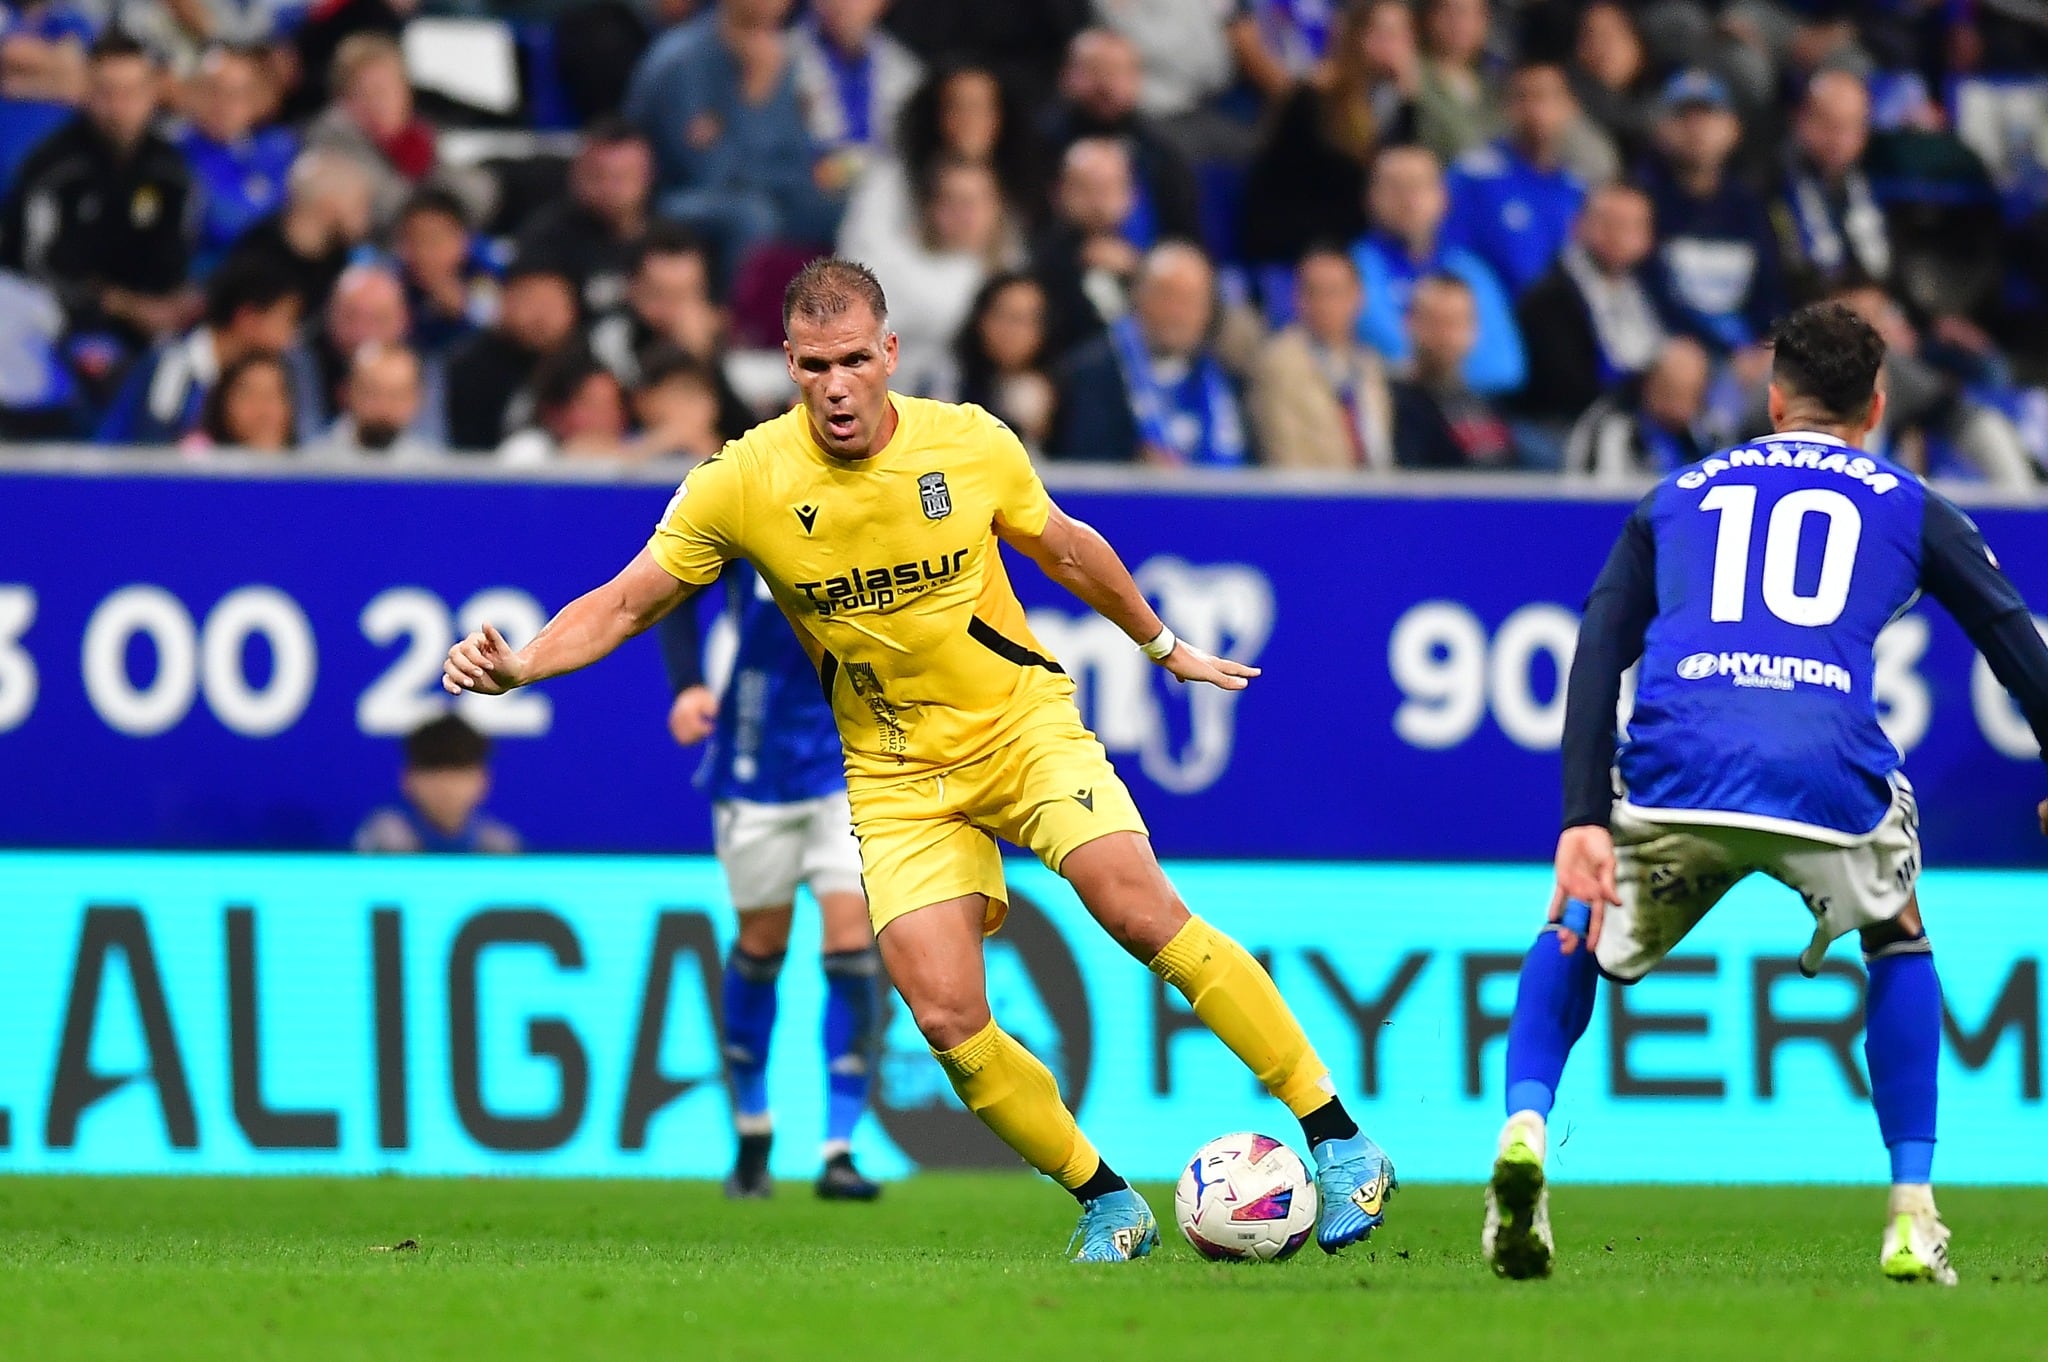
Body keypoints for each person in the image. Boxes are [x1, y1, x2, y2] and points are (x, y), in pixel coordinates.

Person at [442, 256, 1395, 1263]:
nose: (839, 384)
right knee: (942, 1013)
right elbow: (630, 598)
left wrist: (1163, 648)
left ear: (889, 353)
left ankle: (1338, 1139)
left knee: (1135, 907)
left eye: (856, 358)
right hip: (897, 776)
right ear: (789, 367)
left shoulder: (969, 443)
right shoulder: (742, 480)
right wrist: (525, 666)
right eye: (816, 365)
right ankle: (1105, 1199)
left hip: (1018, 729)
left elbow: (1067, 549)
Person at [1482, 301, 2048, 1286]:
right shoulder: (1909, 502)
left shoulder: (1673, 495)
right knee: (1896, 927)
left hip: (1675, 766)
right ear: (1873, 407)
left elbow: (1594, 653)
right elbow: (2013, 644)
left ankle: (1525, 1124)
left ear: (1770, 398)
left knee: (1571, 918)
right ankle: (1909, 1214)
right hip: (1824, 772)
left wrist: (1581, 818)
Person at [657, 551, 885, 1201]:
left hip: (847, 765)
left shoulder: (868, 486)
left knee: (849, 941)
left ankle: (839, 1148)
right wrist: (687, 684)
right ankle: (753, 1131)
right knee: (761, 947)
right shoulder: (742, 488)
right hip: (752, 765)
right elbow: (670, 591)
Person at [1, 34, 196, 352]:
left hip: (149, 328)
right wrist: (121, 305)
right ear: (87, 93)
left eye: (132, 92)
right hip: (57, 325)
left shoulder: (172, 171)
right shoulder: (54, 169)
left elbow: (177, 253)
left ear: (152, 93)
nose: (119, 107)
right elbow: (34, 266)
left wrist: (172, 301)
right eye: (107, 93)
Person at [623, 0, 842, 281]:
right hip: (673, 198)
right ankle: (736, 323)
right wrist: (753, 98)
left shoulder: (783, 57)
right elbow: (709, 174)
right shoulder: (682, 60)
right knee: (752, 216)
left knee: (843, 210)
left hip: (766, 192)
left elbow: (795, 164)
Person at [1239, 0, 1420, 268]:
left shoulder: (1391, 100)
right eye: (1380, 33)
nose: (1391, 46)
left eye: (1400, 35)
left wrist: (1408, 104)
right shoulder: (1315, 97)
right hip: (1299, 236)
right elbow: (1354, 181)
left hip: (1350, 237)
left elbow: (1400, 165)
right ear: (1353, 36)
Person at [1050, 240, 1249, 466]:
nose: (1178, 313)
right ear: (1138, 296)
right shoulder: (1089, 373)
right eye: (1167, 296)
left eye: (1191, 301)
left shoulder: (1229, 380)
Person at [836, 60, 1041, 272]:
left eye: (981, 107)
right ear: (936, 115)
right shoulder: (889, 181)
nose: (970, 119)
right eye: (957, 106)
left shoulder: (1015, 186)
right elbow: (862, 257)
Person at [1352, 144, 1524, 395]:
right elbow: (1386, 346)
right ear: (1371, 197)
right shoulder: (1355, 268)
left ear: (1443, 197)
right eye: (1395, 187)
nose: (1409, 200)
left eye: (1419, 186)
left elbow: (1506, 366)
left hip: (1471, 408)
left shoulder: (1471, 270)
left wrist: (1438, 369)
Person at [1640, 70, 1783, 360]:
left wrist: (1765, 346)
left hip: (1750, 359)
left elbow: (1770, 293)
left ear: (1733, 129)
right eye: (1683, 117)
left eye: (1708, 116)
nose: (1696, 128)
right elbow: (1650, 298)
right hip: (1678, 355)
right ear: (1660, 129)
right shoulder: (1644, 202)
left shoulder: (1750, 206)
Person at [854, 156, 1018, 396]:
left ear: (996, 208)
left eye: (974, 202)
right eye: (951, 201)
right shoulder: (891, 270)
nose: (963, 214)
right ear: (930, 208)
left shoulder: (1017, 274)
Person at [96, 252, 300, 443]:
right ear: (247, 318)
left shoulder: (239, 374)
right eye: (286, 320)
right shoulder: (175, 366)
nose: (289, 339)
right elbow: (153, 454)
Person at [1512, 182, 1663, 428]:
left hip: (1639, 422)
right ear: (1578, 225)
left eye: (1632, 226)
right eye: (1609, 223)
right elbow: (1564, 388)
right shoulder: (1552, 298)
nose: (1619, 235)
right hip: (1564, 426)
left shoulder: (1652, 291)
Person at [587, 223, 754, 441]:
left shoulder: (726, 342)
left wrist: (704, 361)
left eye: (688, 294)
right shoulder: (608, 343)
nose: (676, 311)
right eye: (661, 295)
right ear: (633, 290)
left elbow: (745, 432)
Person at [1040, 29, 1201, 247]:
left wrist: (1138, 265)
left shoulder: (1161, 156)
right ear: (1066, 75)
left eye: (1117, 72)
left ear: (1137, 80)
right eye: (1094, 69)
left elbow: (1185, 243)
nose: (1105, 84)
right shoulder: (1038, 148)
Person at [1443, 60, 1587, 299]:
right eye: (1522, 98)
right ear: (1506, 108)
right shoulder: (1473, 176)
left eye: (1545, 97)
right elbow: (1451, 259)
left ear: (1570, 107)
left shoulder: (1577, 189)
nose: (1535, 110)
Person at [1248, 244, 1394, 469]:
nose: (1325, 304)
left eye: (1335, 292)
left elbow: (1382, 450)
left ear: (1358, 297)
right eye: (1313, 292)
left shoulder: (1369, 365)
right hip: (1315, 498)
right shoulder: (1279, 364)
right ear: (1298, 299)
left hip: (1374, 497)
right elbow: (1286, 458)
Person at [513, 118, 654, 320]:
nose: (608, 189)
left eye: (621, 178)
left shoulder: (670, 237)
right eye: (597, 176)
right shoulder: (548, 237)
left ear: (646, 175)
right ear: (577, 173)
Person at [176, 44, 297, 278]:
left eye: (236, 95)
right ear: (191, 93)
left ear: (255, 102)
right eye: (213, 91)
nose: (223, 104)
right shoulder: (170, 151)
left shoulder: (277, 151)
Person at [1770, 69, 1889, 303]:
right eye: (1829, 123)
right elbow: (1783, 272)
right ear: (1802, 119)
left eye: (1851, 126)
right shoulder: (1771, 185)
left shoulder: (1866, 186)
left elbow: (1885, 269)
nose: (1839, 139)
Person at [222, 147, 375, 323]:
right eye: (360, 207)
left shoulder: (345, 263)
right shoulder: (258, 254)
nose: (367, 219)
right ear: (328, 207)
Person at [444, 255, 581, 451]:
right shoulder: (471, 367)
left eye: (551, 303)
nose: (540, 317)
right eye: (531, 301)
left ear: (572, 310)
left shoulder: (588, 367)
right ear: (505, 303)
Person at [1389, 272, 1517, 468]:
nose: (1447, 336)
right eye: (1437, 322)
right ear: (1410, 324)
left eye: (1457, 322)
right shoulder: (1394, 404)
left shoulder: (1488, 405)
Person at [788, 0, 923, 179]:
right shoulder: (781, 60)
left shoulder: (909, 74)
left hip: (884, 195)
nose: (841, 4)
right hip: (801, 193)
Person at [1031, 135, 1139, 355]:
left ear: (1131, 195)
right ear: (1057, 193)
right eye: (1085, 187)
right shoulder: (1038, 263)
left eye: (1109, 188)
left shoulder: (1148, 262)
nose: (1098, 201)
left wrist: (1138, 272)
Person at [354, 713, 522, 854]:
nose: (446, 787)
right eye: (433, 771)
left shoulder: (498, 845)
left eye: (458, 772)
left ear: (483, 780)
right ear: (407, 779)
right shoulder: (383, 839)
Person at [1561, 335, 1711, 481]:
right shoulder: (1611, 428)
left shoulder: (1700, 434)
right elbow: (1603, 498)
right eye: (1674, 393)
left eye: (1693, 397)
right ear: (1651, 385)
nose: (1684, 410)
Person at [950, 271, 1056, 449]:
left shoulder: (1067, 389)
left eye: (1023, 320)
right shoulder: (948, 381)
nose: (1011, 332)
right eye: (1002, 316)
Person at [393, 186, 491, 359]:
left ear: (463, 241)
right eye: (413, 240)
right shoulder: (389, 283)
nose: (422, 253)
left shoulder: (490, 274)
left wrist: (465, 311)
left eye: (434, 240)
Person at [495, 344, 633, 463]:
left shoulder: (641, 448)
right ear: (554, 412)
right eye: (591, 405)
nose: (604, 418)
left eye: (612, 405)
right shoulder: (526, 451)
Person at [310, 341, 439, 459]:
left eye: (396, 396)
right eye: (372, 392)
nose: (384, 406)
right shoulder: (308, 469)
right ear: (346, 393)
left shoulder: (437, 474)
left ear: (417, 399)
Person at [1412, 0, 1495, 166]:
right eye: (1453, 13)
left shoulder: (1494, 85)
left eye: (1473, 14)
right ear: (1431, 17)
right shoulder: (1411, 74)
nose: (1461, 24)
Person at [185, 350, 296, 454]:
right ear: (223, 402)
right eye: (249, 394)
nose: (263, 409)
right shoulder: (196, 458)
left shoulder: (309, 463)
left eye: (273, 395)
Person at [631, 344, 727, 460]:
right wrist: (659, 443)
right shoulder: (628, 439)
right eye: (676, 395)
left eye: (694, 395)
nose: (689, 409)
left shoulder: (736, 451)